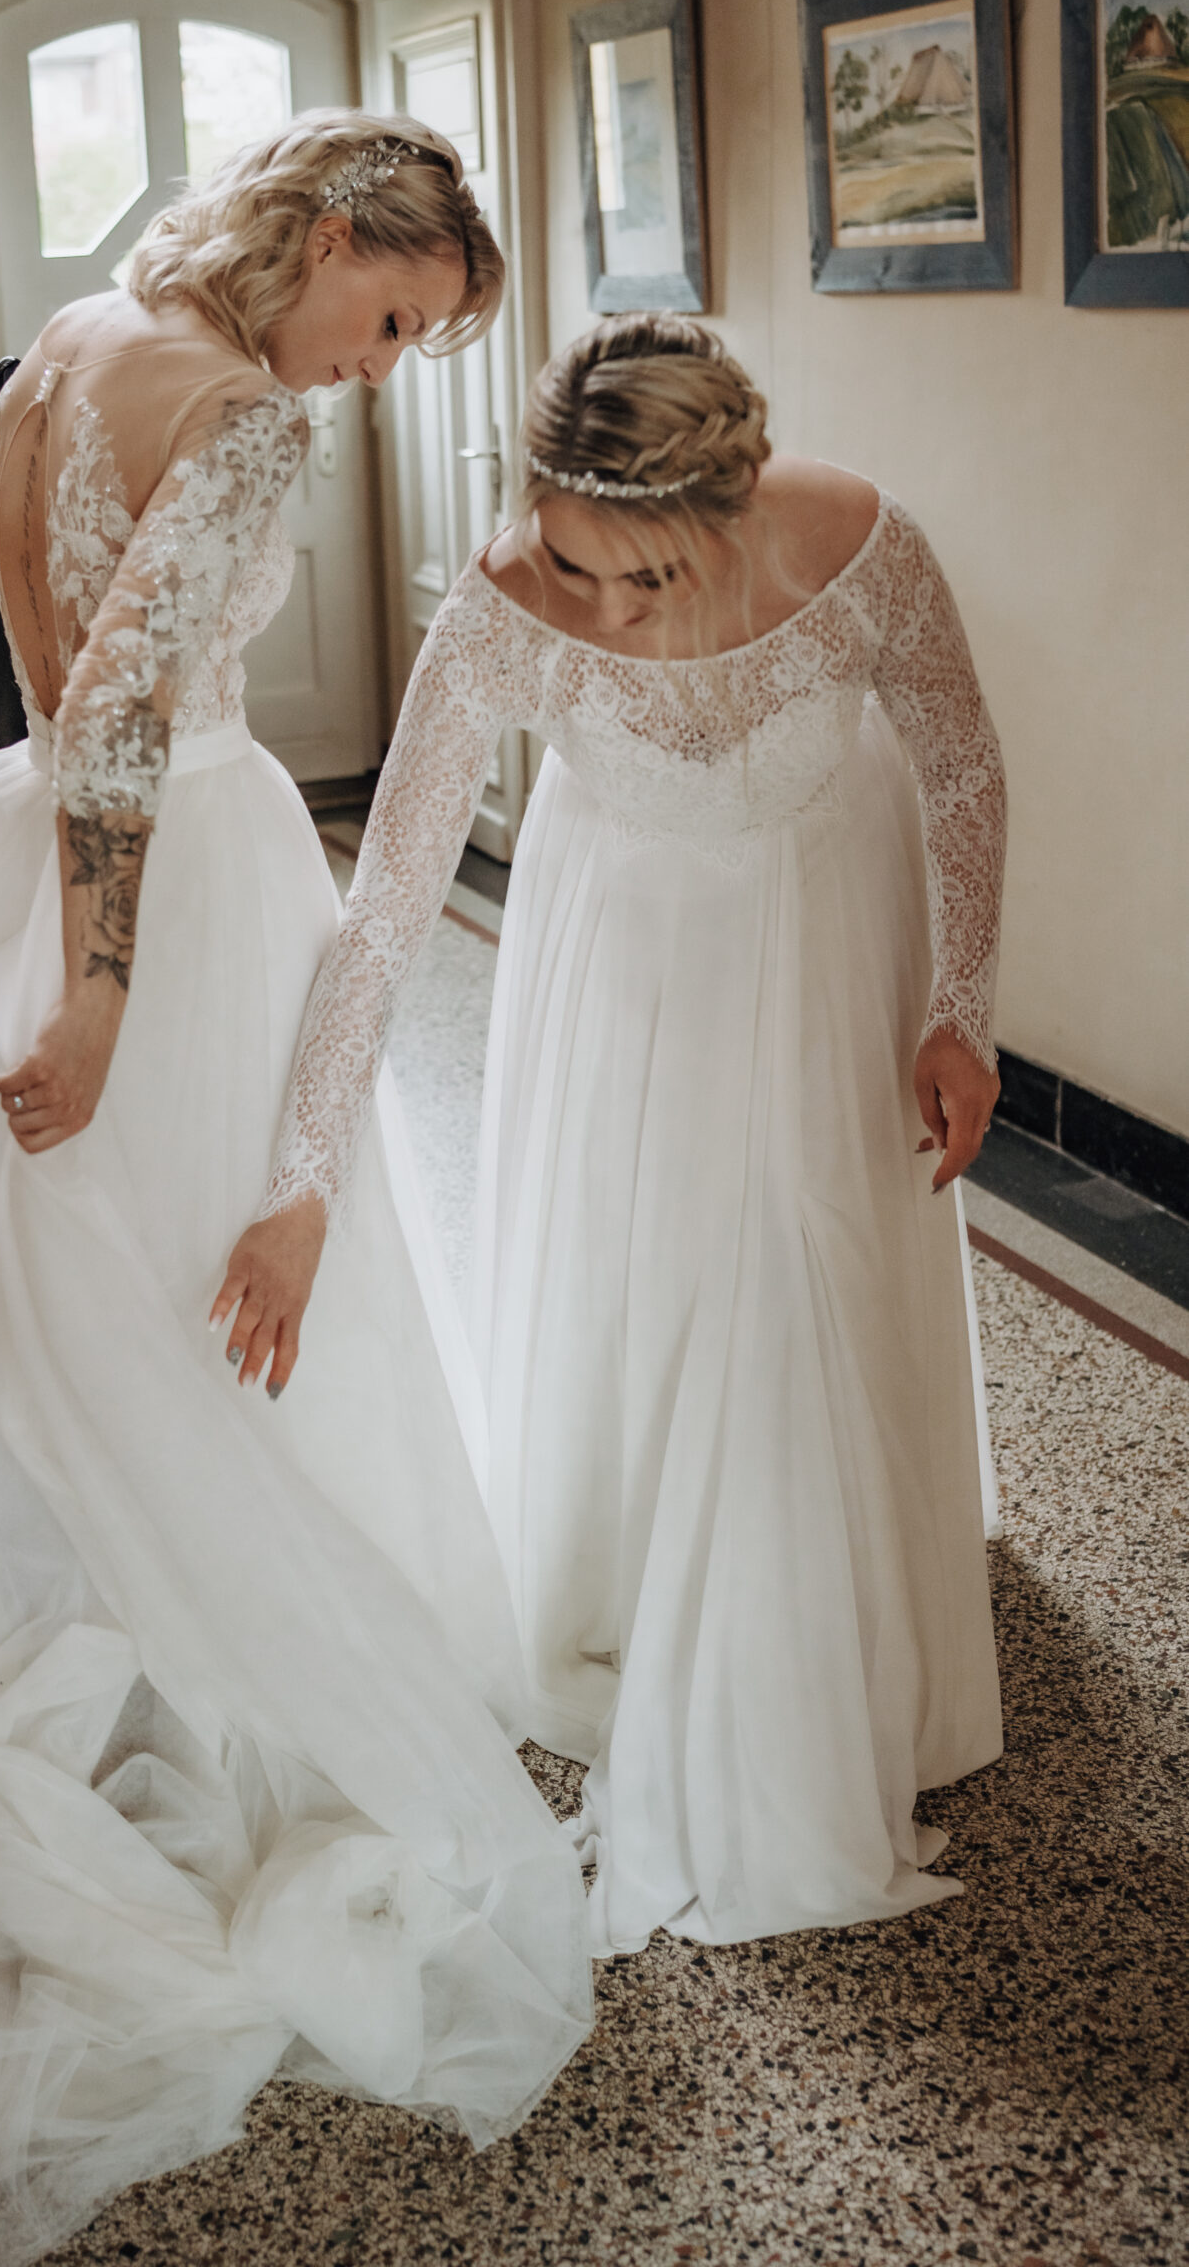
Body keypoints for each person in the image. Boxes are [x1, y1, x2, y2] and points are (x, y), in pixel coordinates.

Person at [0, 113, 592, 2263]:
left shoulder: (66, 341)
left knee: (88, 1314)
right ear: (332, 235)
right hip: (176, 897)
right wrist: (108, 985)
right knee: (217, 1308)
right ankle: (235, 1689)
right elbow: (122, 709)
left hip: (18, 865)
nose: (374, 371)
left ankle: (128, 1658)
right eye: (389, 320)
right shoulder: (232, 413)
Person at [217, 313, 1007, 1954]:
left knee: (808, 1269)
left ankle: (831, 1617)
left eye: (642, 577)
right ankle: (656, 1587)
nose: (602, 609)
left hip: (830, 942)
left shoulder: (861, 541)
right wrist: (304, 1187)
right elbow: (387, 910)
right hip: (626, 964)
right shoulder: (505, 604)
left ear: (731, 509)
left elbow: (958, 764)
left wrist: (960, 1008)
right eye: (571, 562)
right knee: (663, 1271)